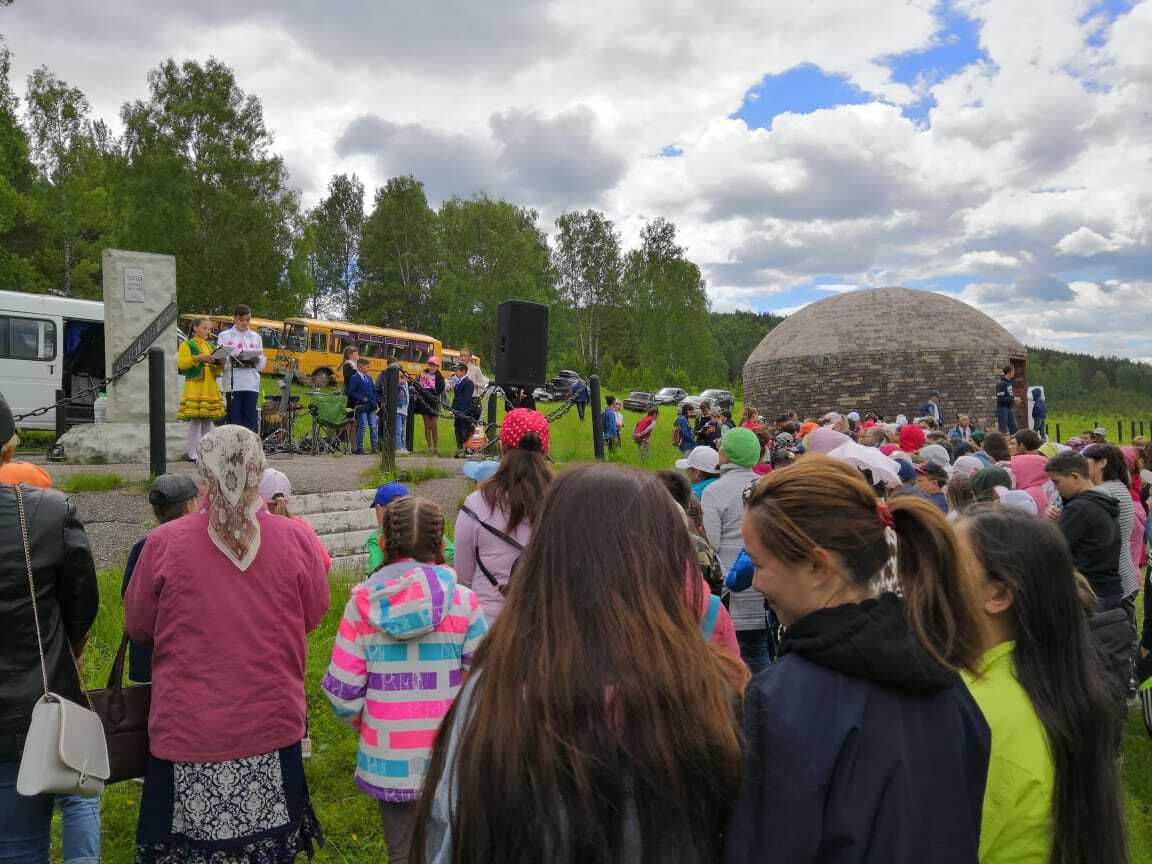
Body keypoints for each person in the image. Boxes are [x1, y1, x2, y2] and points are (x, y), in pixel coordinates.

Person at [414, 464, 746, 864]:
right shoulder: (710, 692)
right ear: (667, 560)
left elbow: (446, 832)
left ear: (545, 555)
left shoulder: (491, 693)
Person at [726, 456, 990, 864]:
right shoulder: (947, 675)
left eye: (760, 564)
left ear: (817, 566)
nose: (756, 582)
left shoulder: (783, 699)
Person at [124, 425, 329, 863]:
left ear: (203, 475)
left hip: (189, 731)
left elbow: (139, 625)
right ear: (257, 472)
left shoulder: (163, 543)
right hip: (271, 725)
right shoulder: (296, 539)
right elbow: (312, 614)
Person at [323, 496, 487, 864]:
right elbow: (484, 683)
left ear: (384, 540)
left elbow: (342, 693)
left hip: (388, 760)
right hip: (453, 755)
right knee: (453, 849)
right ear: (439, 540)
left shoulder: (362, 604)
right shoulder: (464, 602)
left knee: (402, 853)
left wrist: (374, 725)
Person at [961, 508, 1128, 864]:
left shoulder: (980, 716)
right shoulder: (1048, 680)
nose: (918, 576)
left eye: (945, 562)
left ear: (998, 596)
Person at [0, 393, 100, 864]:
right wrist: (68, 646)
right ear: (9, 450)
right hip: (28, 704)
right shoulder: (46, 512)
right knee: (21, 843)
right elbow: (82, 603)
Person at [455, 409, 552, 624]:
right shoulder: (560, 503)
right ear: (546, 450)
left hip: (485, 627)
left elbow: (463, 580)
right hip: (541, 626)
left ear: (502, 446)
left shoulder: (476, 504)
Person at [121, 474, 200, 684]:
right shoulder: (200, 546)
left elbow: (130, 596)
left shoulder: (144, 546)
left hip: (149, 652)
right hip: (188, 653)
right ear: (190, 505)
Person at [702, 427, 769, 674]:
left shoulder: (714, 491)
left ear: (725, 456)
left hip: (731, 586)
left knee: (731, 661)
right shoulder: (767, 485)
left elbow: (712, 543)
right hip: (765, 585)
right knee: (761, 653)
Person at [1043, 451, 1124, 609]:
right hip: (1108, 587)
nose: (1056, 488)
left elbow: (1053, 548)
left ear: (1074, 477)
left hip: (1089, 590)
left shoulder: (1079, 508)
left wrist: (1049, 525)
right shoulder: (1101, 501)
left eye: (1057, 482)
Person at [1083, 443, 1142, 606]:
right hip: (1125, 574)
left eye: (1085, 461)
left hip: (1113, 578)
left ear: (1102, 463)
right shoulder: (1119, 486)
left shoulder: (1102, 492)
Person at [363, 482, 455, 573]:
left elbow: (374, 570)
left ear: (379, 509)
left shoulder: (377, 538)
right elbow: (452, 554)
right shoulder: (426, 527)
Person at [177, 317, 226, 462]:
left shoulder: (210, 346)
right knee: (196, 420)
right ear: (195, 328)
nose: (207, 331)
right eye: (204, 328)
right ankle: (192, 452)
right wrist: (198, 358)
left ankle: (205, 452)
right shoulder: (187, 344)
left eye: (209, 329)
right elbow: (182, 364)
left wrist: (219, 363)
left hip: (209, 386)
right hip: (196, 386)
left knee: (206, 420)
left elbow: (216, 371)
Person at [216, 304, 267, 433]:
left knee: (250, 417)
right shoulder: (225, 335)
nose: (245, 323)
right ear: (235, 318)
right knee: (234, 417)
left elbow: (261, 361)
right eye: (242, 319)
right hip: (234, 382)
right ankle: (234, 449)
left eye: (248, 320)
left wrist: (256, 359)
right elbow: (221, 359)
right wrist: (223, 358)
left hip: (251, 382)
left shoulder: (256, 337)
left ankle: (248, 450)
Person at [411, 357, 445, 455]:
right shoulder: (422, 374)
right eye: (430, 365)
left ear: (437, 366)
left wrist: (428, 379)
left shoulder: (439, 377)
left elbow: (438, 390)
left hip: (434, 402)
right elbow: (416, 385)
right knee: (427, 425)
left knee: (433, 425)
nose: (432, 367)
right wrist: (421, 379)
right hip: (424, 402)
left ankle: (436, 446)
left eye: (434, 365)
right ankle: (429, 447)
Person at [347, 357, 379, 454]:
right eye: (367, 367)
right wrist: (361, 398)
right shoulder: (354, 377)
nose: (369, 369)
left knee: (373, 426)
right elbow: (350, 391)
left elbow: (373, 390)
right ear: (360, 367)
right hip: (361, 406)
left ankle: (374, 447)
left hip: (371, 406)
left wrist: (375, 400)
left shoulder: (369, 378)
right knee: (362, 426)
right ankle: (359, 448)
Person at [450, 363, 477, 455]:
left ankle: (466, 449)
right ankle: (460, 448)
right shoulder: (459, 382)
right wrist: (453, 409)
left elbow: (466, 399)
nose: (455, 372)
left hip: (465, 411)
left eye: (457, 370)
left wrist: (462, 412)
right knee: (457, 429)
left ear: (463, 371)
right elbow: (456, 397)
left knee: (464, 430)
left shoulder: (468, 382)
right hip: (458, 411)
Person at [996, 364, 1018, 434]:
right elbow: (1000, 398)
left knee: (1014, 429)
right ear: (1010, 371)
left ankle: (1013, 444)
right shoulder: (1001, 384)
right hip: (1002, 409)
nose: (1014, 372)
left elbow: (1009, 396)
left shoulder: (1009, 383)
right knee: (1003, 430)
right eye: (1013, 370)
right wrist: (1013, 399)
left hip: (1009, 408)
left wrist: (1014, 400)